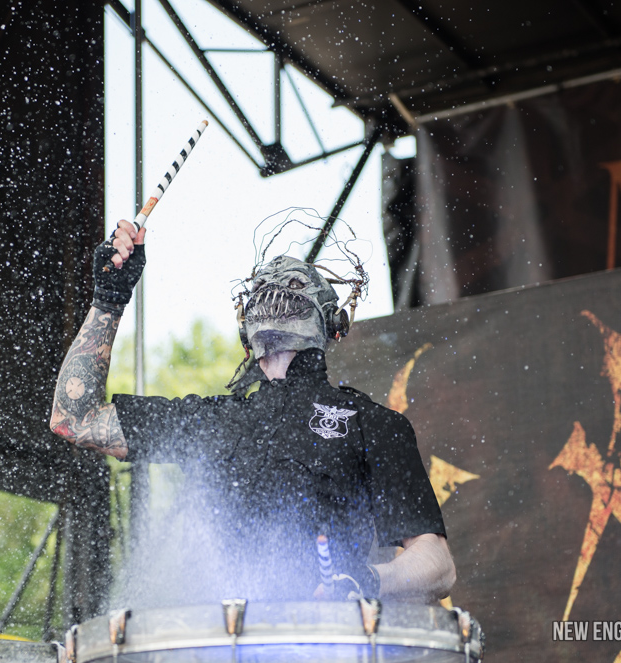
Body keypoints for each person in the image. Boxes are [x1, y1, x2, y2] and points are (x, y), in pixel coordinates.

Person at [50, 219, 455, 605]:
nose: (276, 285)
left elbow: (438, 566)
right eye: (263, 286)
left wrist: (365, 580)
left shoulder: (372, 424)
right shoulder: (208, 422)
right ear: (245, 331)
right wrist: (108, 300)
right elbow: (74, 419)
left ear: (333, 324)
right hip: (226, 639)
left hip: (327, 639)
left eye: (294, 285)